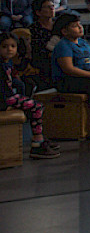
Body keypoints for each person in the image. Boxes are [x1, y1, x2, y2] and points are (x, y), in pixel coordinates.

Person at [1, 30, 58, 159]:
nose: (9, 49)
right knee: (37, 107)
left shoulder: (7, 62)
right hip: (4, 99)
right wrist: (5, 105)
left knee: (32, 103)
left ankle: (39, 137)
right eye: (4, 46)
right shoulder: (2, 65)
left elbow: (15, 82)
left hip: (8, 97)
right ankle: (37, 142)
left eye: (13, 46)